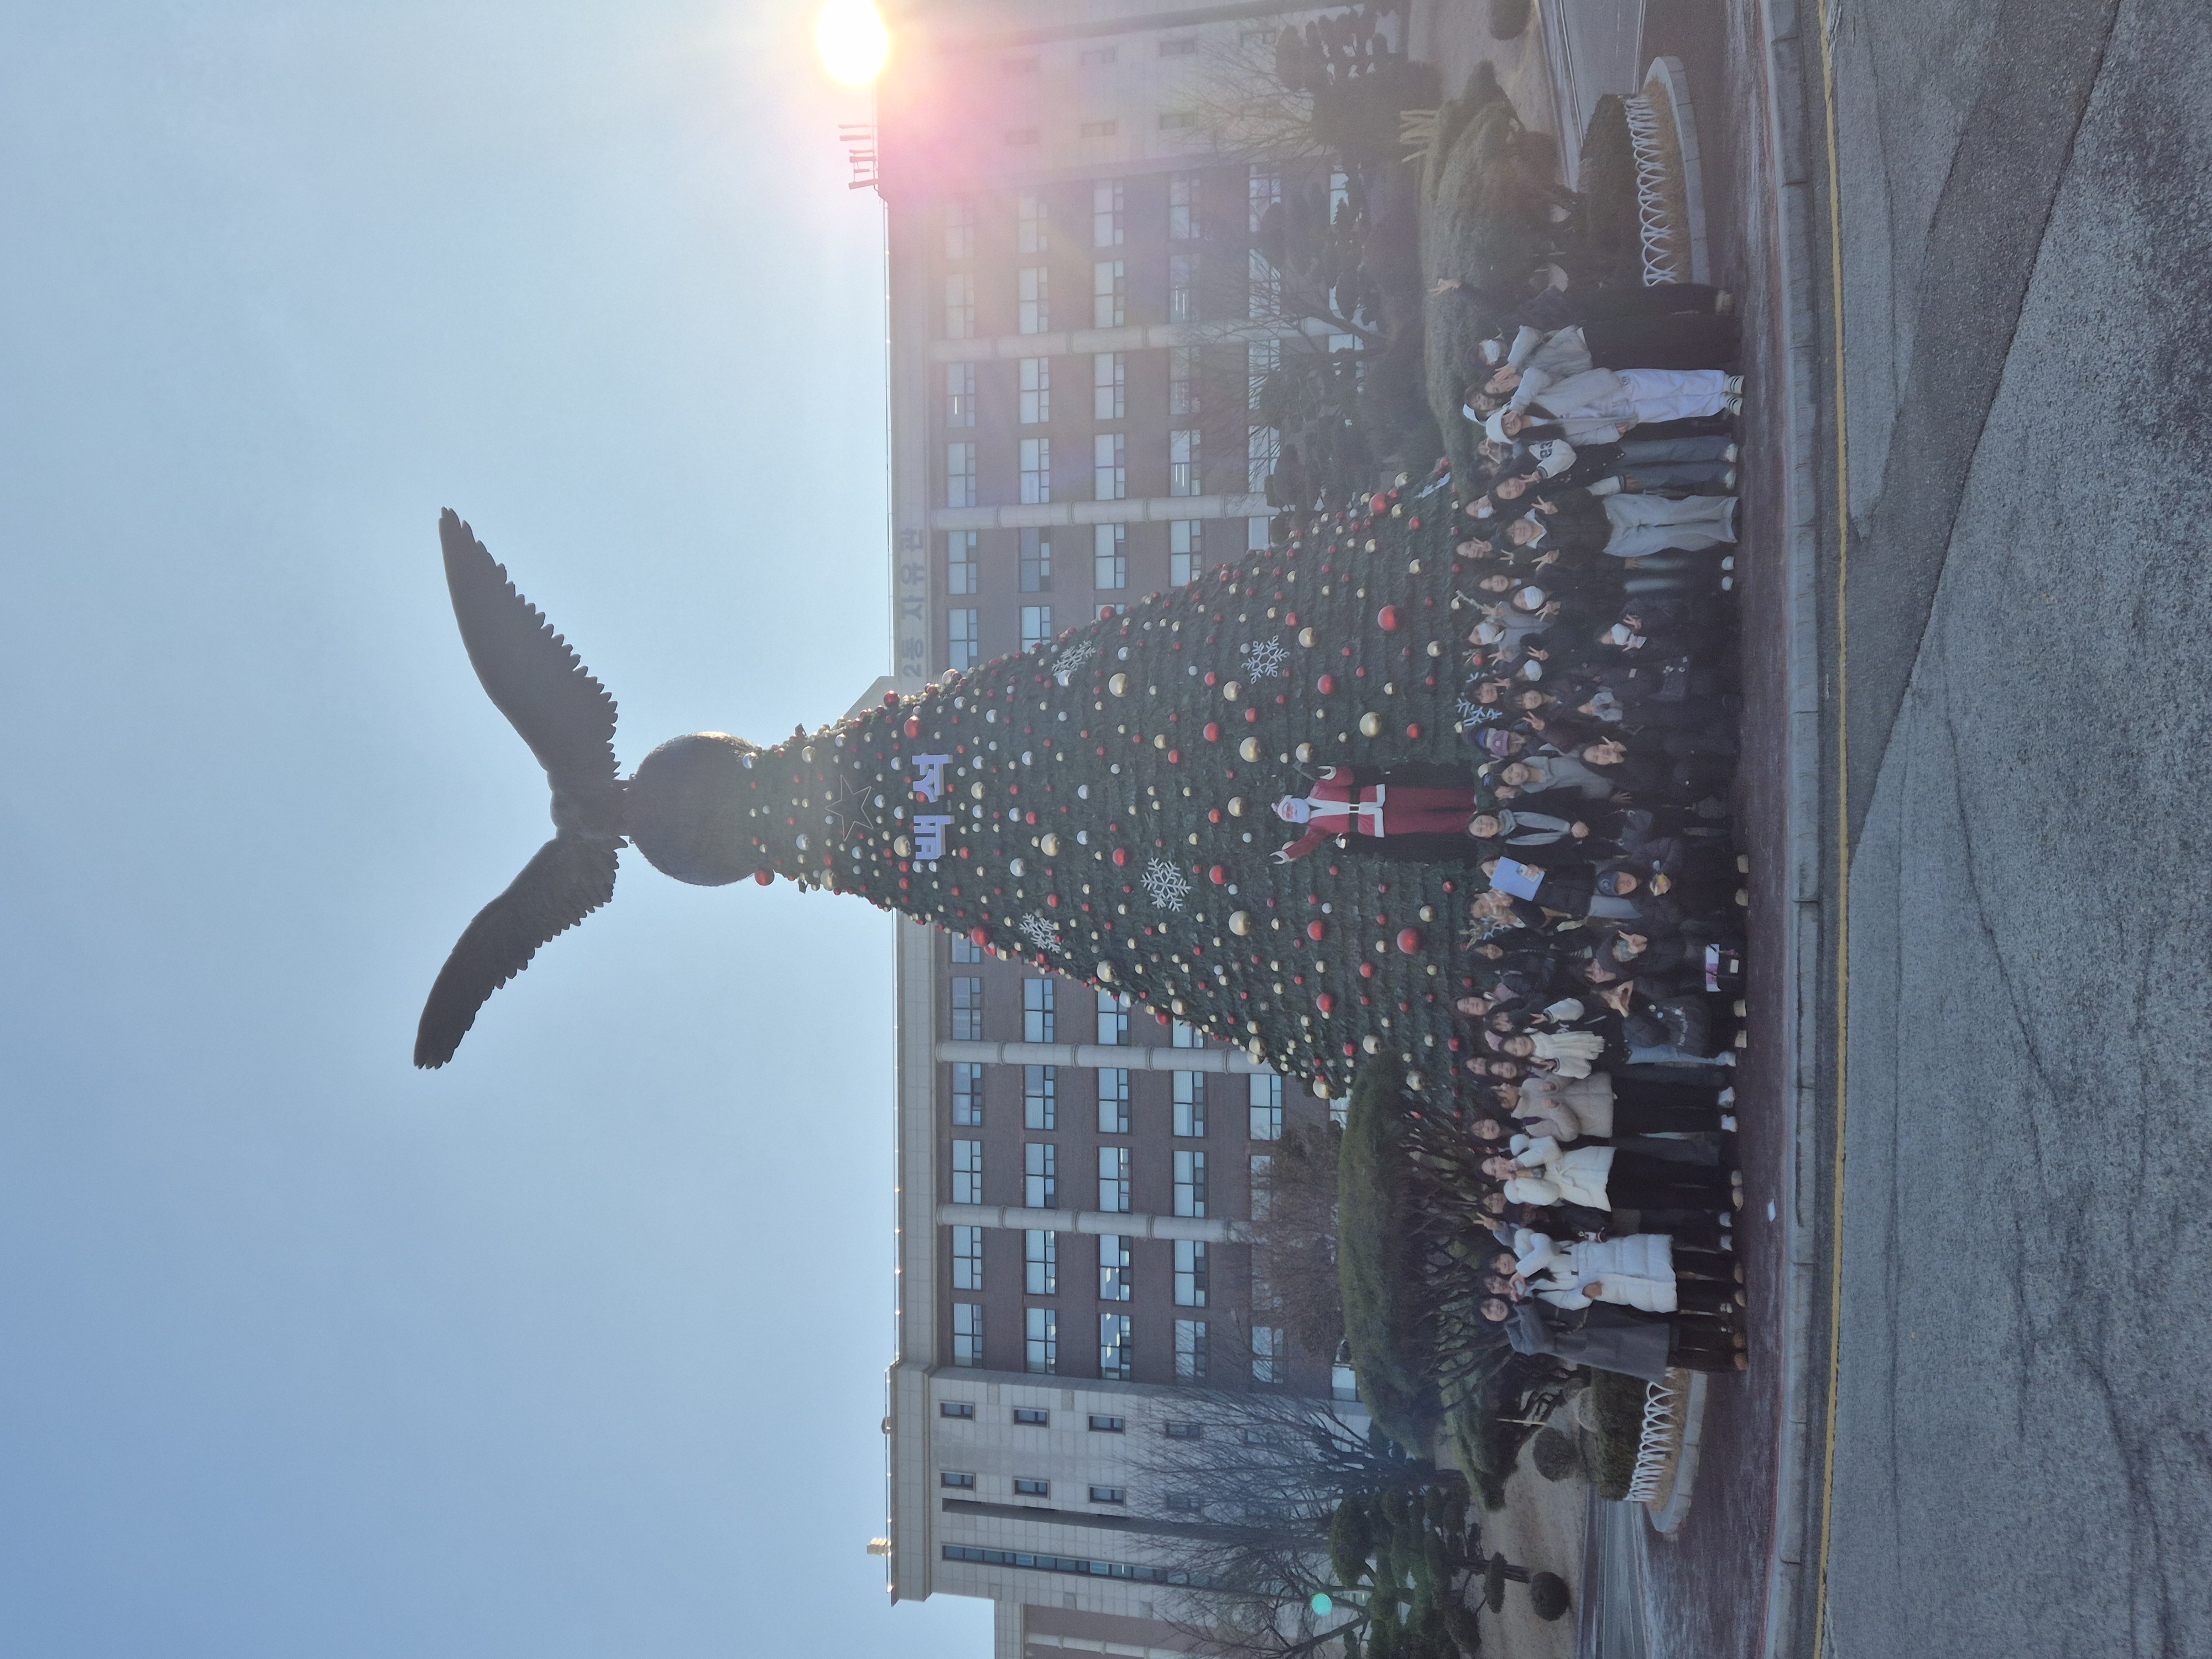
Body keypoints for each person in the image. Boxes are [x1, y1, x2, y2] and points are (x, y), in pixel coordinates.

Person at [1488, 1296, 1744, 1378]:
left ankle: (1724, 1341)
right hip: (1597, 1342)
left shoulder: (1523, 1292)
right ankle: (1727, 1363)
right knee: (1664, 1354)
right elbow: (1541, 1342)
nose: (1495, 1307)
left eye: (1491, 1302)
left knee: (1668, 1332)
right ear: (1491, 1322)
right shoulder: (1517, 1338)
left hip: (1602, 1316)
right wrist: (1523, 1307)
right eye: (1489, 1312)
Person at [1267, 764, 1477, 862]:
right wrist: (1286, 855)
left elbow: (1347, 779)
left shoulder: (1319, 789)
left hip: (1380, 797)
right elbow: (1306, 846)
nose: (1292, 812)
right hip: (1378, 825)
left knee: (1429, 798)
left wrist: (1327, 772)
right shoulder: (1316, 829)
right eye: (1289, 815)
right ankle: (1470, 823)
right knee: (1430, 824)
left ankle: (1473, 799)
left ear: (1293, 799)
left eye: (1289, 807)